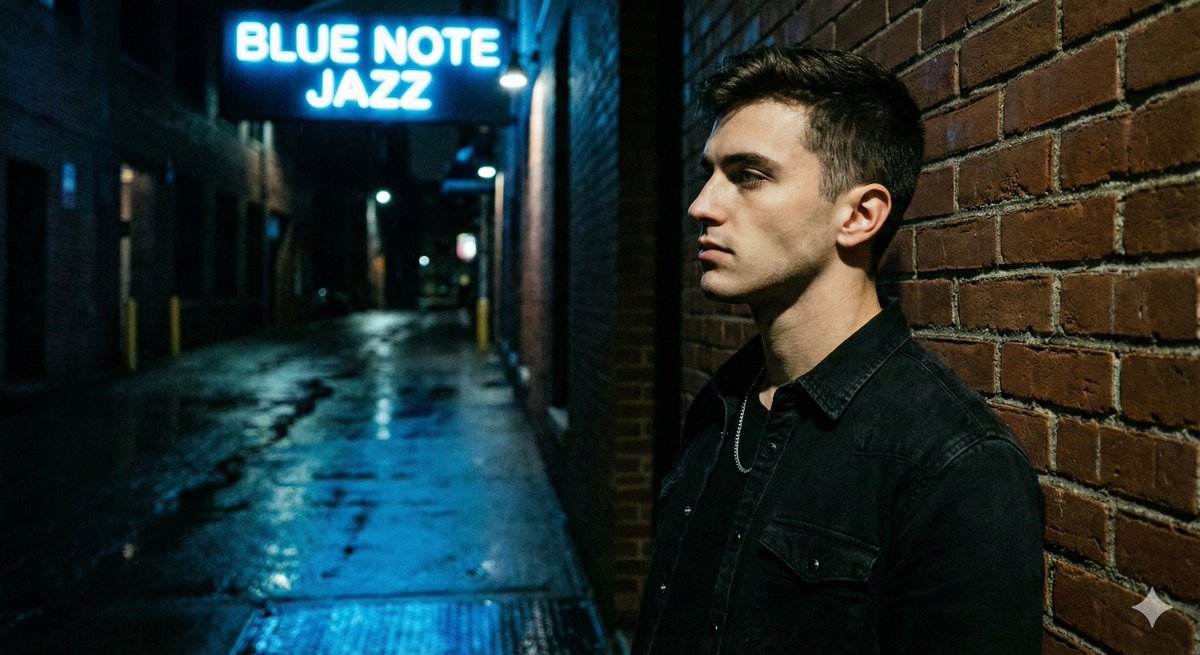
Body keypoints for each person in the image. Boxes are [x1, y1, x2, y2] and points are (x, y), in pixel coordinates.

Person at [632, 46, 1044, 654]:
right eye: (710, 172)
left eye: (748, 175)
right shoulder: (723, 404)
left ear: (858, 215)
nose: (702, 205)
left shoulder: (952, 464)